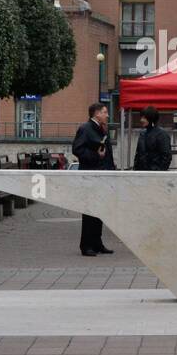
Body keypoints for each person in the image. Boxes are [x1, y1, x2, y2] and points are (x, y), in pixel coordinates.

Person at [71, 103, 116, 256]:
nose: (107, 115)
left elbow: (107, 152)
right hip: (90, 175)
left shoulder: (102, 128)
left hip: (103, 175)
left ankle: (97, 243)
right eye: (104, 112)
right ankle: (86, 245)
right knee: (90, 211)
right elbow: (77, 149)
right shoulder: (85, 128)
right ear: (96, 114)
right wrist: (95, 155)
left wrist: (111, 171)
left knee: (100, 211)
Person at [133, 106, 172, 171]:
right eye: (141, 117)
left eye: (144, 118)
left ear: (151, 118)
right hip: (141, 174)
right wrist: (135, 169)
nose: (141, 120)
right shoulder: (142, 134)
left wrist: (158, 172)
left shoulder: (162, 135)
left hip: (155, 175)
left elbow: (166, 157)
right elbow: (138, 155)